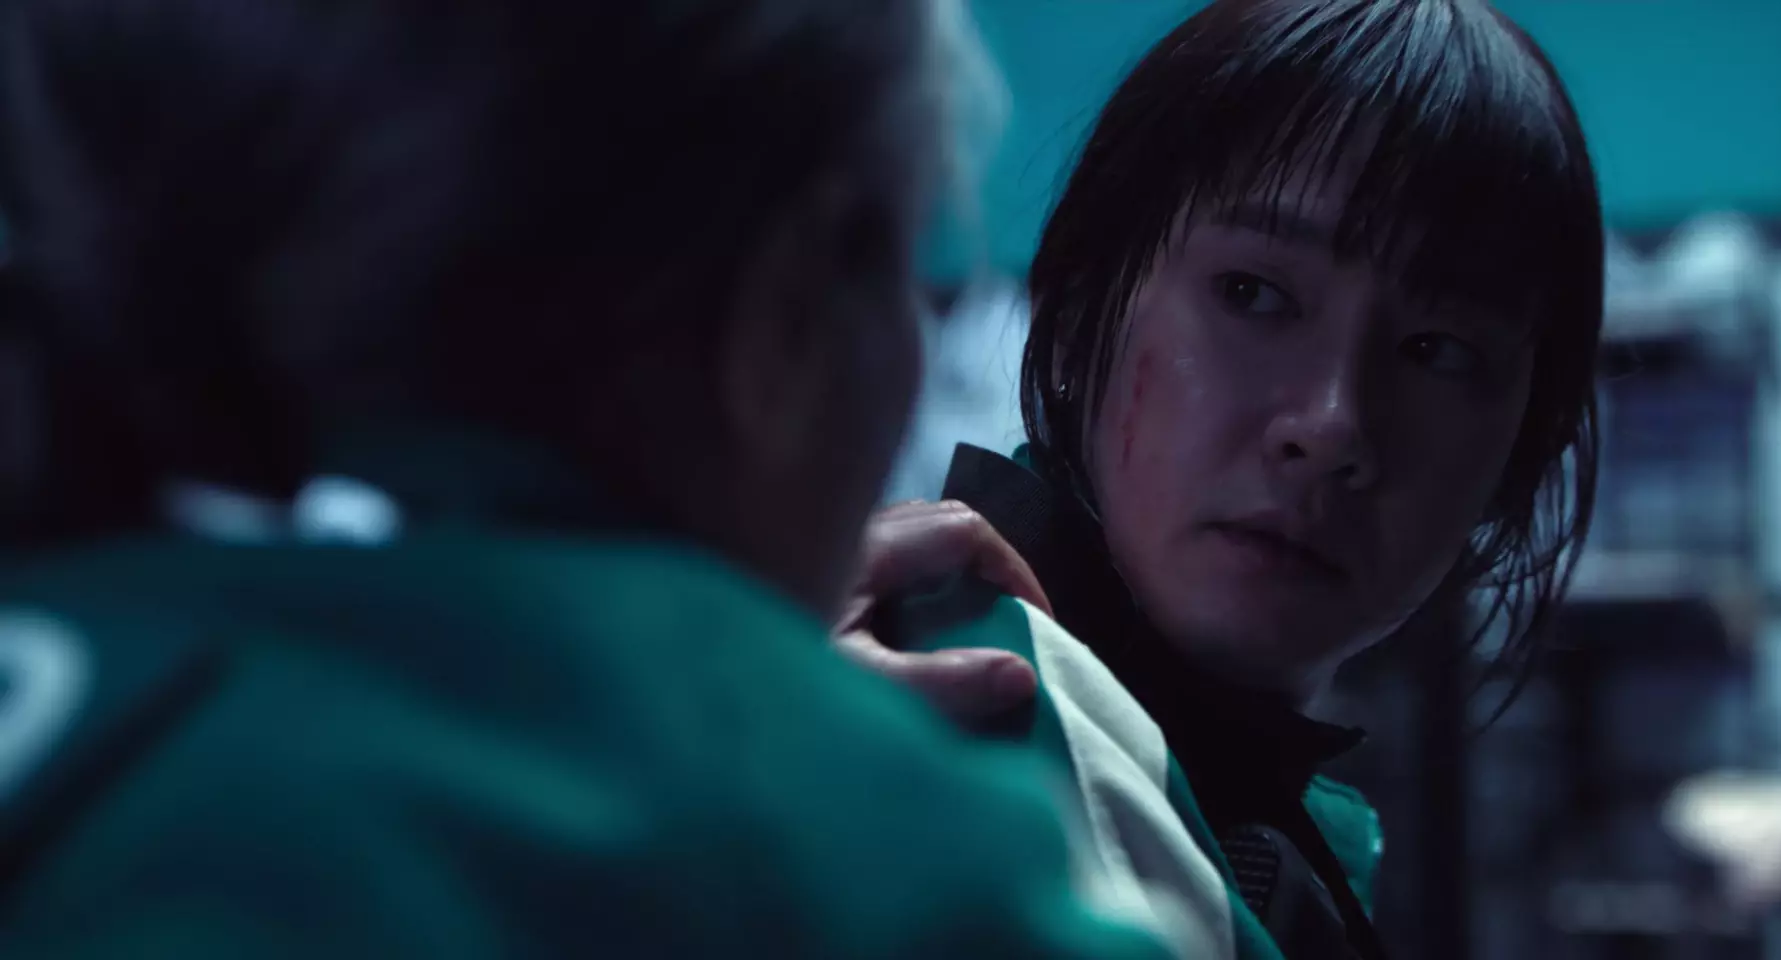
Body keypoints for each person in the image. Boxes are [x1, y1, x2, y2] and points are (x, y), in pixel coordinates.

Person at [0, 0, 1190, 956]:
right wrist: (743, 707)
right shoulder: (807, 830)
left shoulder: (85, 645)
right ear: (784, 313)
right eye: (910, 270)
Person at [839, 0, 1604, 957]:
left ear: (1522, 449)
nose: (1333, 425)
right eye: (1252, 293)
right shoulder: (955, 705)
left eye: (1436, 349)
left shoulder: (1265, 824)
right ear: (1079, 309)